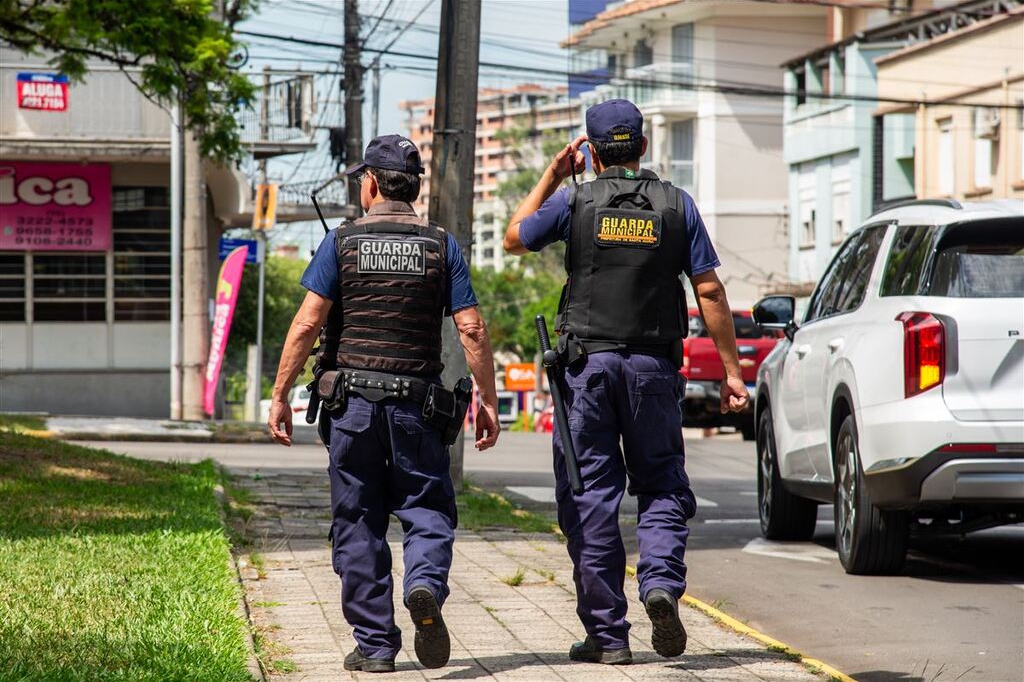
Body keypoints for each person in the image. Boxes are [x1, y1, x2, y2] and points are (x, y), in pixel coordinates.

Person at [502, 99, 748, 665]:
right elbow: (710, 291)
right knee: (661, 485)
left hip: (586, 372)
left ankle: (609, 637)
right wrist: (732, 373)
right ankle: (659, 583)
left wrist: (553, 174)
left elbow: (514, 238)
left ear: (590, 152)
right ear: (643, 146)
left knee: (590, 497)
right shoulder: (677, 205)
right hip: (653, 372)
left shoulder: (574, 200)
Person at [268, 134, 501, 674]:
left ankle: (375, 646)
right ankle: (424, 584)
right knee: (427, 509)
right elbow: (471, 327)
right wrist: (487, 400)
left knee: (358, 520)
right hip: (417, 408)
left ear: (370, 183)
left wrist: (280, 395)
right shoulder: (441, 245)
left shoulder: (342, 242)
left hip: (351, 408)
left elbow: (307, 323)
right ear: (413, 186)